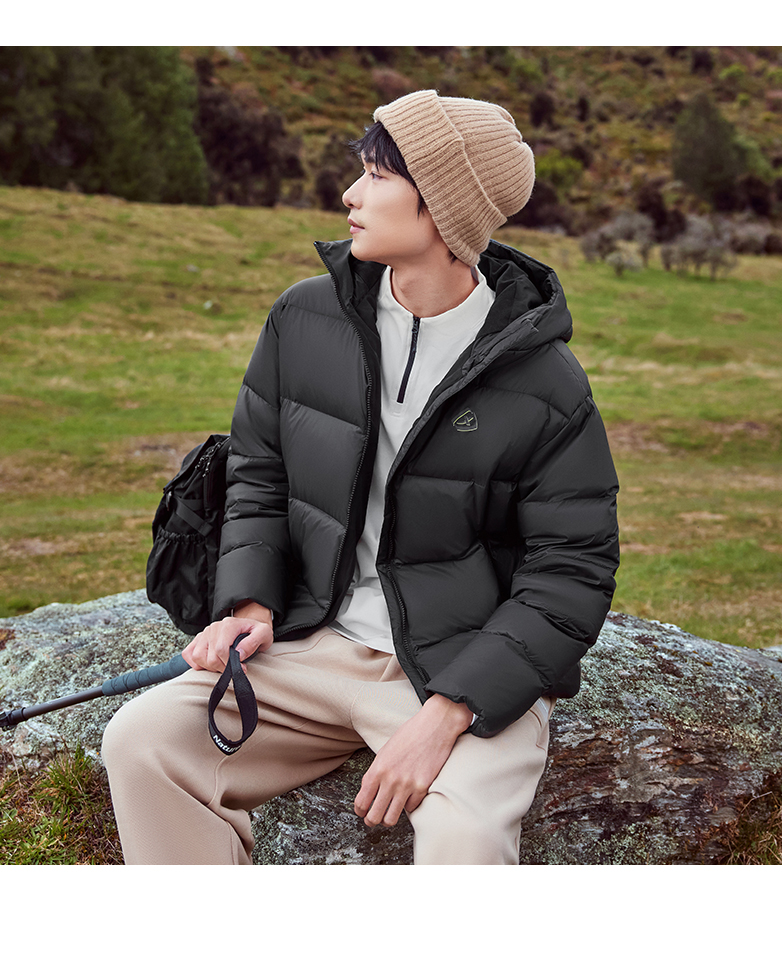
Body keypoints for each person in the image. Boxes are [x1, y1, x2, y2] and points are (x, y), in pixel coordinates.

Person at [102, 89, 620, 865]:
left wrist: (449, 712)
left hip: (456, 667)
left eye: (378, 176)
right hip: (311, 646)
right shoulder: (303, 318)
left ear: (442, 206)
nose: (350, 194)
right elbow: (259, 472)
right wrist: (250, 601)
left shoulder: (547, 382)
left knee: (466, 838)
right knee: (141, 743)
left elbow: (572, 568)